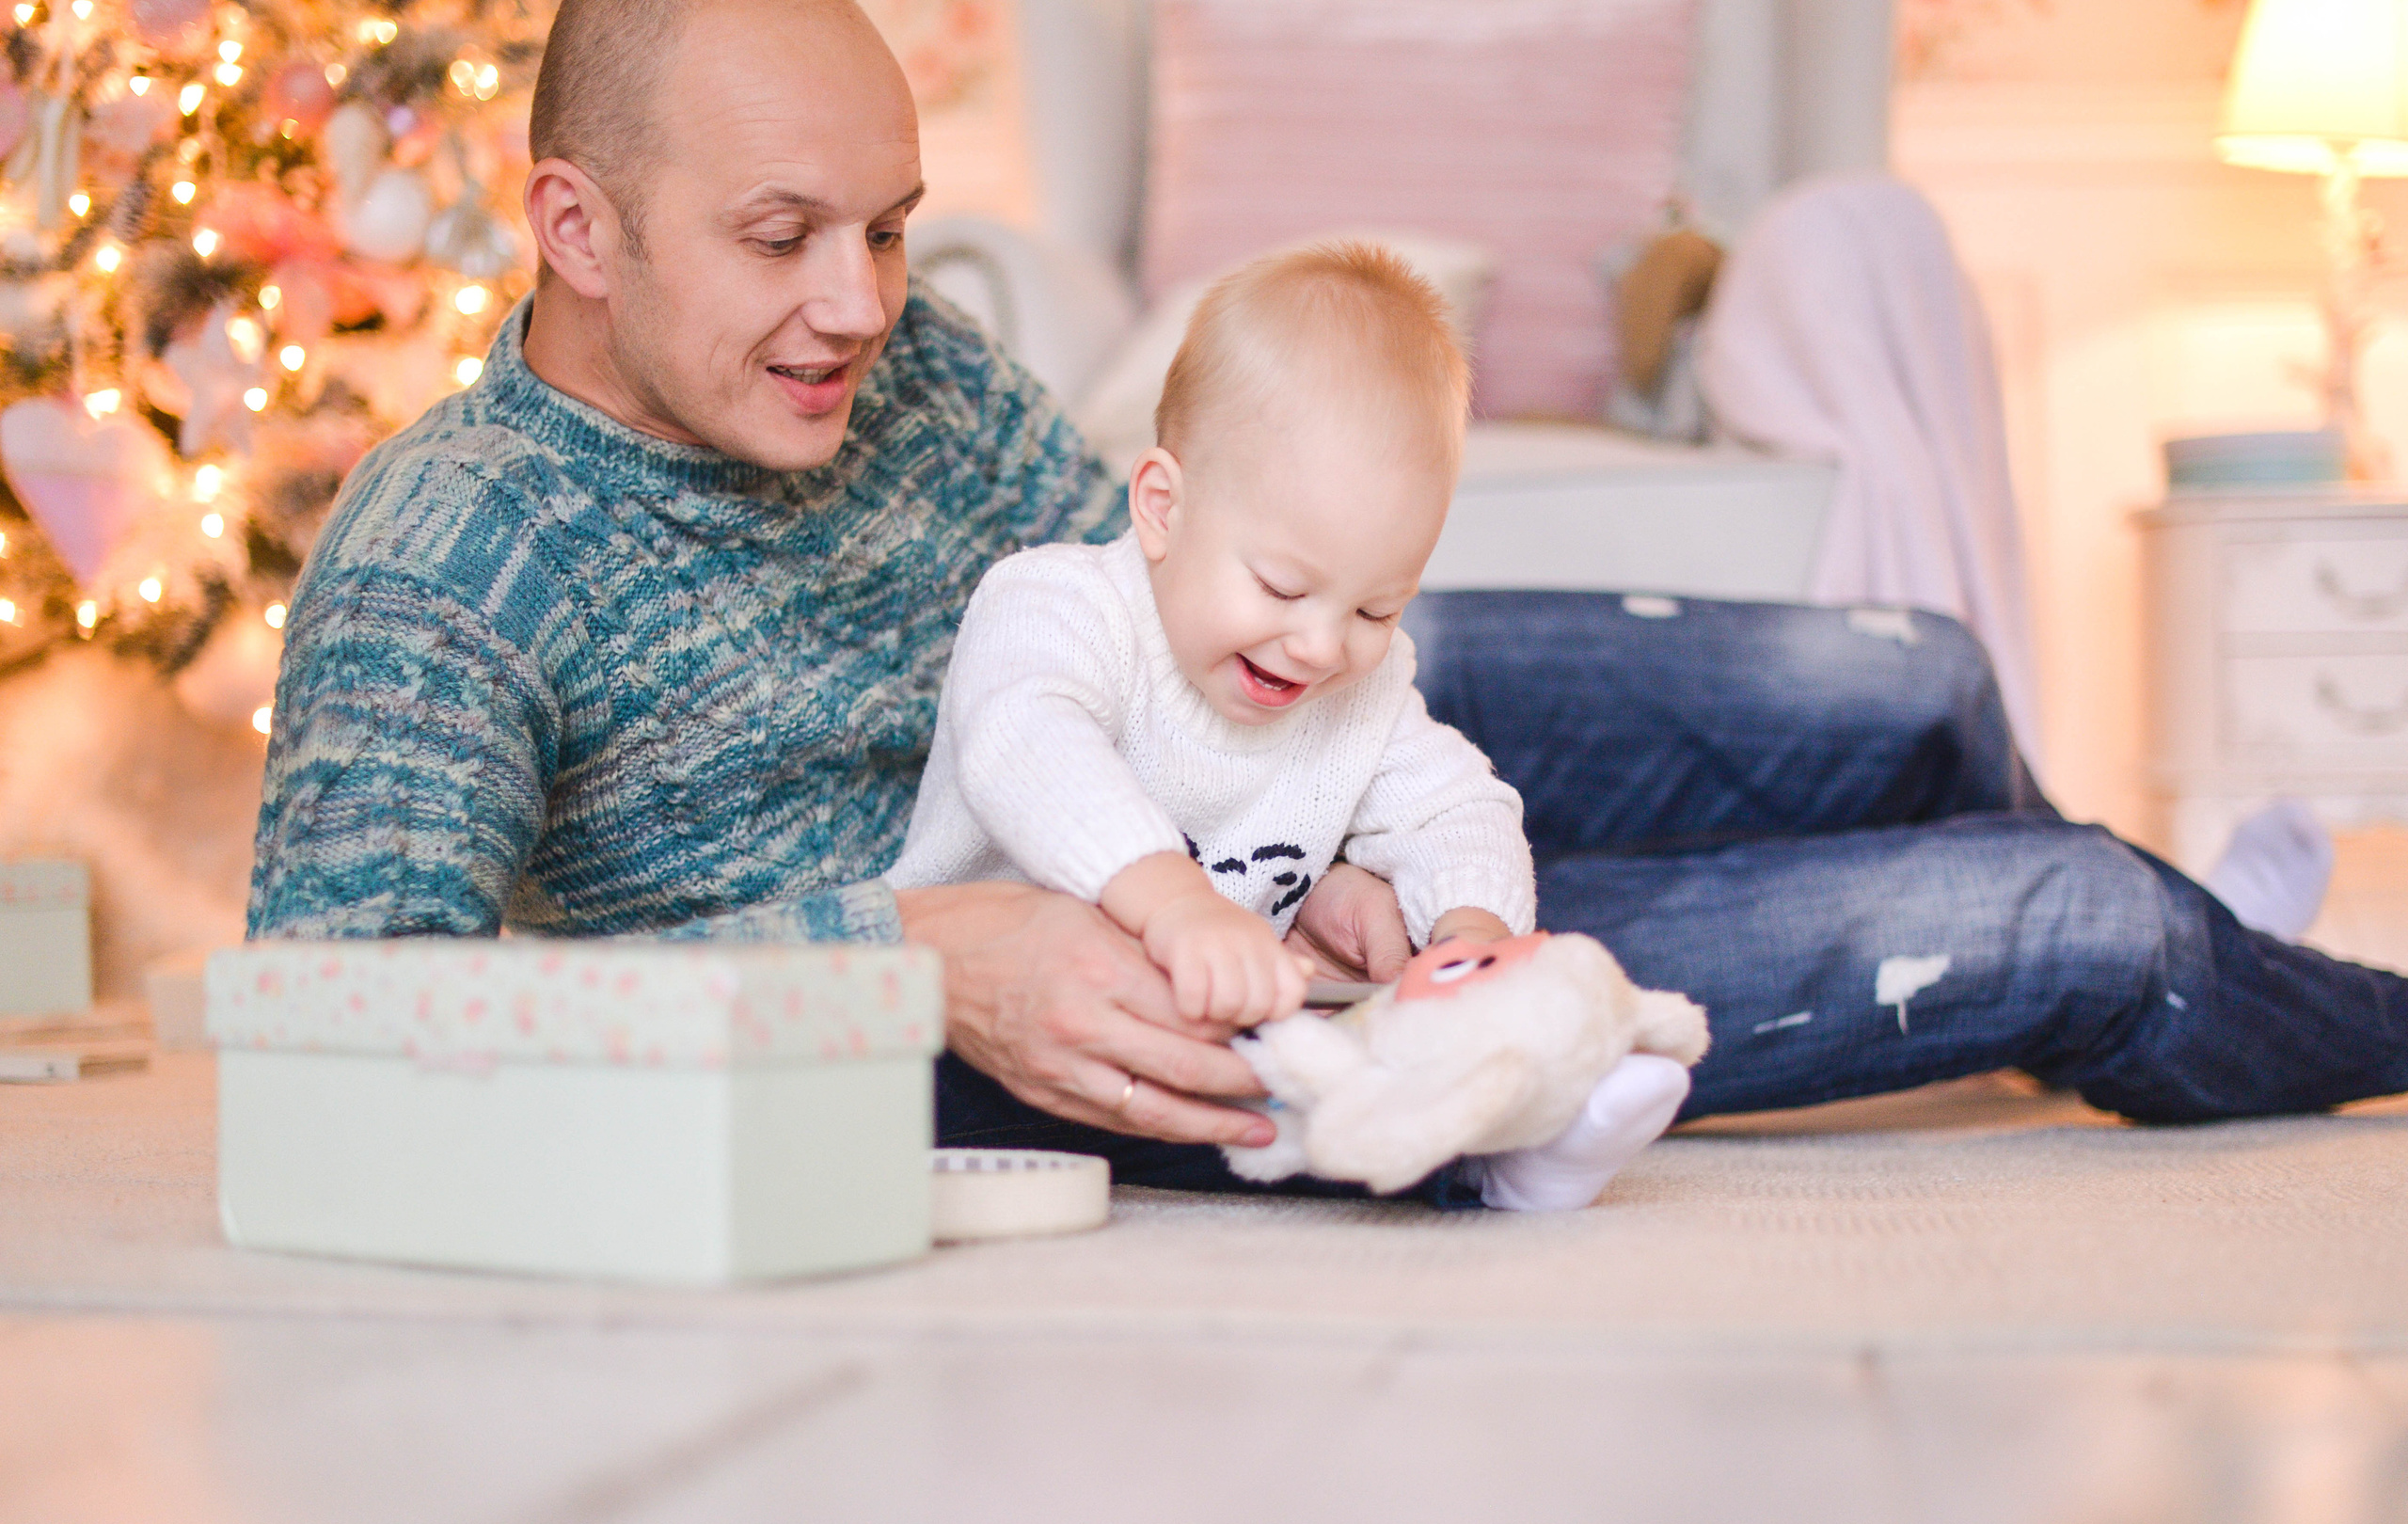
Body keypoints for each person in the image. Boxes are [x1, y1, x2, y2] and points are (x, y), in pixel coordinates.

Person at [249, 0, 2408, 1209]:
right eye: (784, 236)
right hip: (1132, 1000)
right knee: (2068, 927)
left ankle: (2168, 963)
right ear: (577, 226)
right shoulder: (450, 557)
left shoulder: (899, 365)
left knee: (1907, 675)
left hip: (1260, 747)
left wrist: (1378, 835)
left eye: (893, 231)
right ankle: (2159, 954)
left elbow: (1167, 596)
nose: (860, 305)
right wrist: (911, 960)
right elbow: (330, 1042)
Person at [886, 241, 1694, 1206]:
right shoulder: (1057, 605)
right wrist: (1174, 903)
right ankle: (1480, 1149)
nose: (1317, 646)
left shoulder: (1355, 683)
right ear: (1161, 508)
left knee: (1328, 1068)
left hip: (1203, 1036)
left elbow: (1454, 800)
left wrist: (1470, 936)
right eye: (1282, 585)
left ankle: (1500, 1146)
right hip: (958, 1037)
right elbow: (1026, 743)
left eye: (1373, 607)